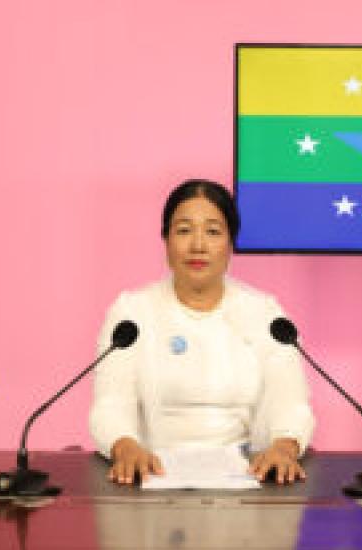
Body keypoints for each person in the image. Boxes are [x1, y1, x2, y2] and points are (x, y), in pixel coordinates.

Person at [89, 179, 315, 485]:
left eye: (213, 232)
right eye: (184, 230)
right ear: (166, 240)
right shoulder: (133, 312)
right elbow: (110, 405)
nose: (198, 245)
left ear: (230, 243)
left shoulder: (264, 314)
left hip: (246, 477)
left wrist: (284, 448)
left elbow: (292, 404)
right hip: (153, 475)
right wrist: (125, 448)